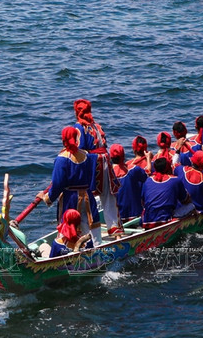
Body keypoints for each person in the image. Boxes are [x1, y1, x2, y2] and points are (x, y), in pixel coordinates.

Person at [40, 127, 103, 246]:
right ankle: (95, 246)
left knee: (70, 225)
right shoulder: (86, 155)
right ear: (76, 138)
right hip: (88, 196)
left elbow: (57, 184)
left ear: (63, 140)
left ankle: (69, 249)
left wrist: (47, 197)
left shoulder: (62, 159)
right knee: (89, 222)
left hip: (71, 198)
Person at [72, 99, 119, 235]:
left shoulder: (79, 127)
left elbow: (80, 150)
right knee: (108, 196)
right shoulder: (97, 126)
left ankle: (88, 232)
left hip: (93, 163)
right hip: (106, 160)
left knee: (88, 197)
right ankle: (114, 226)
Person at [140, 157, 190, 228]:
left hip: (147, 220)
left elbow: (143, 201)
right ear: (168, 168)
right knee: (193, 205)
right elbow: (185, 200)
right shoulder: (175, 180)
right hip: (166, 220)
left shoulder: (148, 180)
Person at [110, 143, 146, 225]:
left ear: (111, 157)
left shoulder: (108, 174)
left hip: (118, 217)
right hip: (136, 215)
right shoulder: (133, 169)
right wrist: (148, 160)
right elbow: (146, 178)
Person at [175, 151, 203, 215]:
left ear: (192, 161)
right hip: (196, 209)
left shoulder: (180, 169)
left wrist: (178, 151)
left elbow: (174, 163)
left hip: (178, 208)